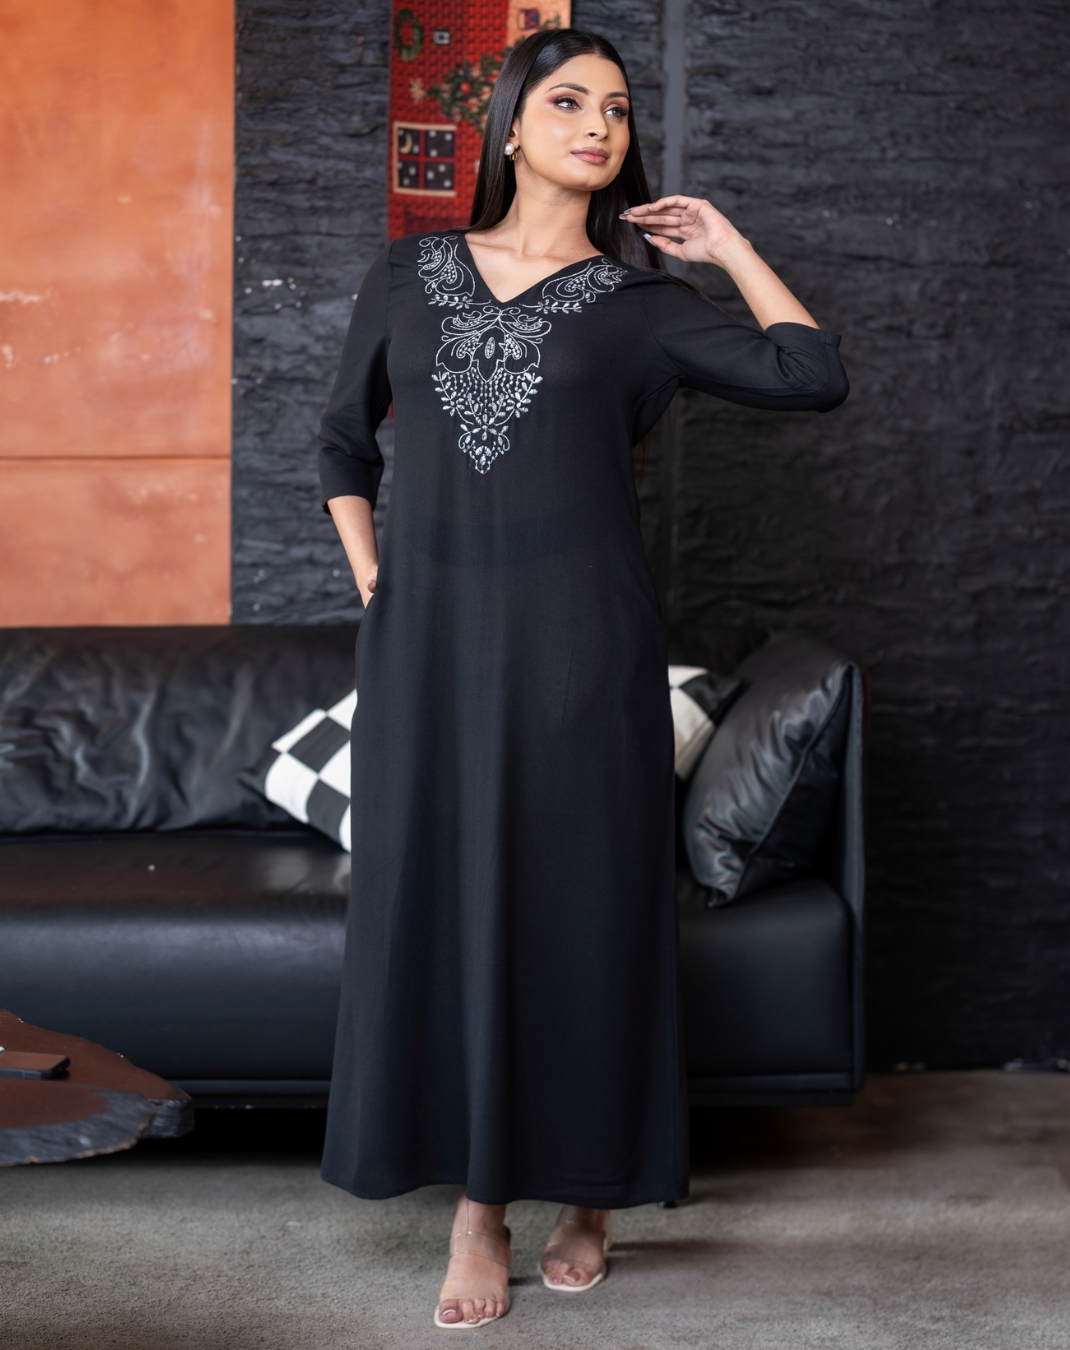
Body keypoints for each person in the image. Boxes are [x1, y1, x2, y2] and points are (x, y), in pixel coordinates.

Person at [316, 27, 848, 1330]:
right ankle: (479, 1208)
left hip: (581, 657)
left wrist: (723, 245)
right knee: (446, 908)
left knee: (582, 916)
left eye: (616, 108)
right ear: (508, 123)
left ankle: (591, 1192)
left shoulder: (640, 306)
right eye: (568, 102)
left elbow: (810, 373)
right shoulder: (411, 271)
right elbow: (340, 443)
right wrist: (379, 583)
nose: (599, 125)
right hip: (430, 660)